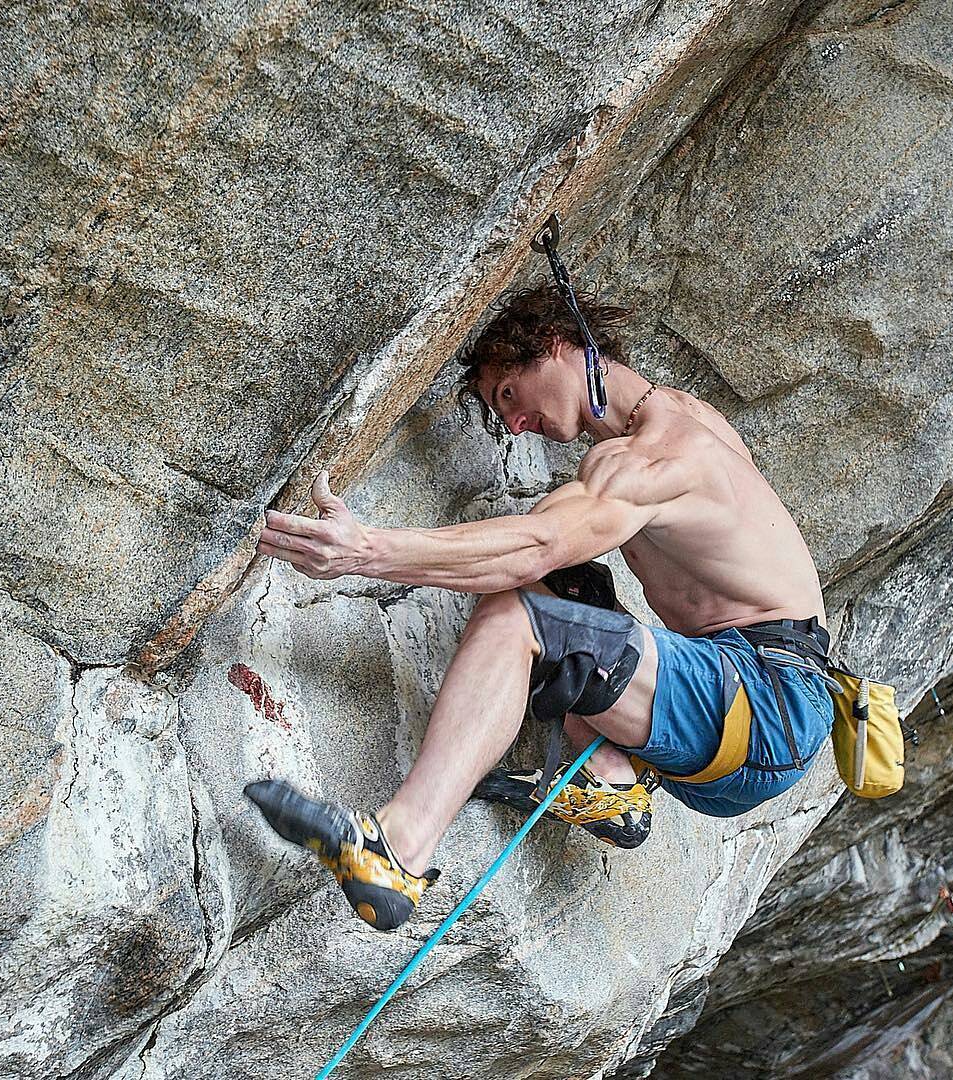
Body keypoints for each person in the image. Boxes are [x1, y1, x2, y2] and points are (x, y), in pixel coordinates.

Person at [245, 284, 836, 931]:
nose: (516, 423)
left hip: (767, 704)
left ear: (557, 346)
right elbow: (539, 552)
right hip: (746, 716)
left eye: (508, 395)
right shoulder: (678, 423)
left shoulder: (659, 456)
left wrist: (367, 552)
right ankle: (612, 781)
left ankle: (397, 849)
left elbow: (532, 547)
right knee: (558, 589)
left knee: (521, 612)